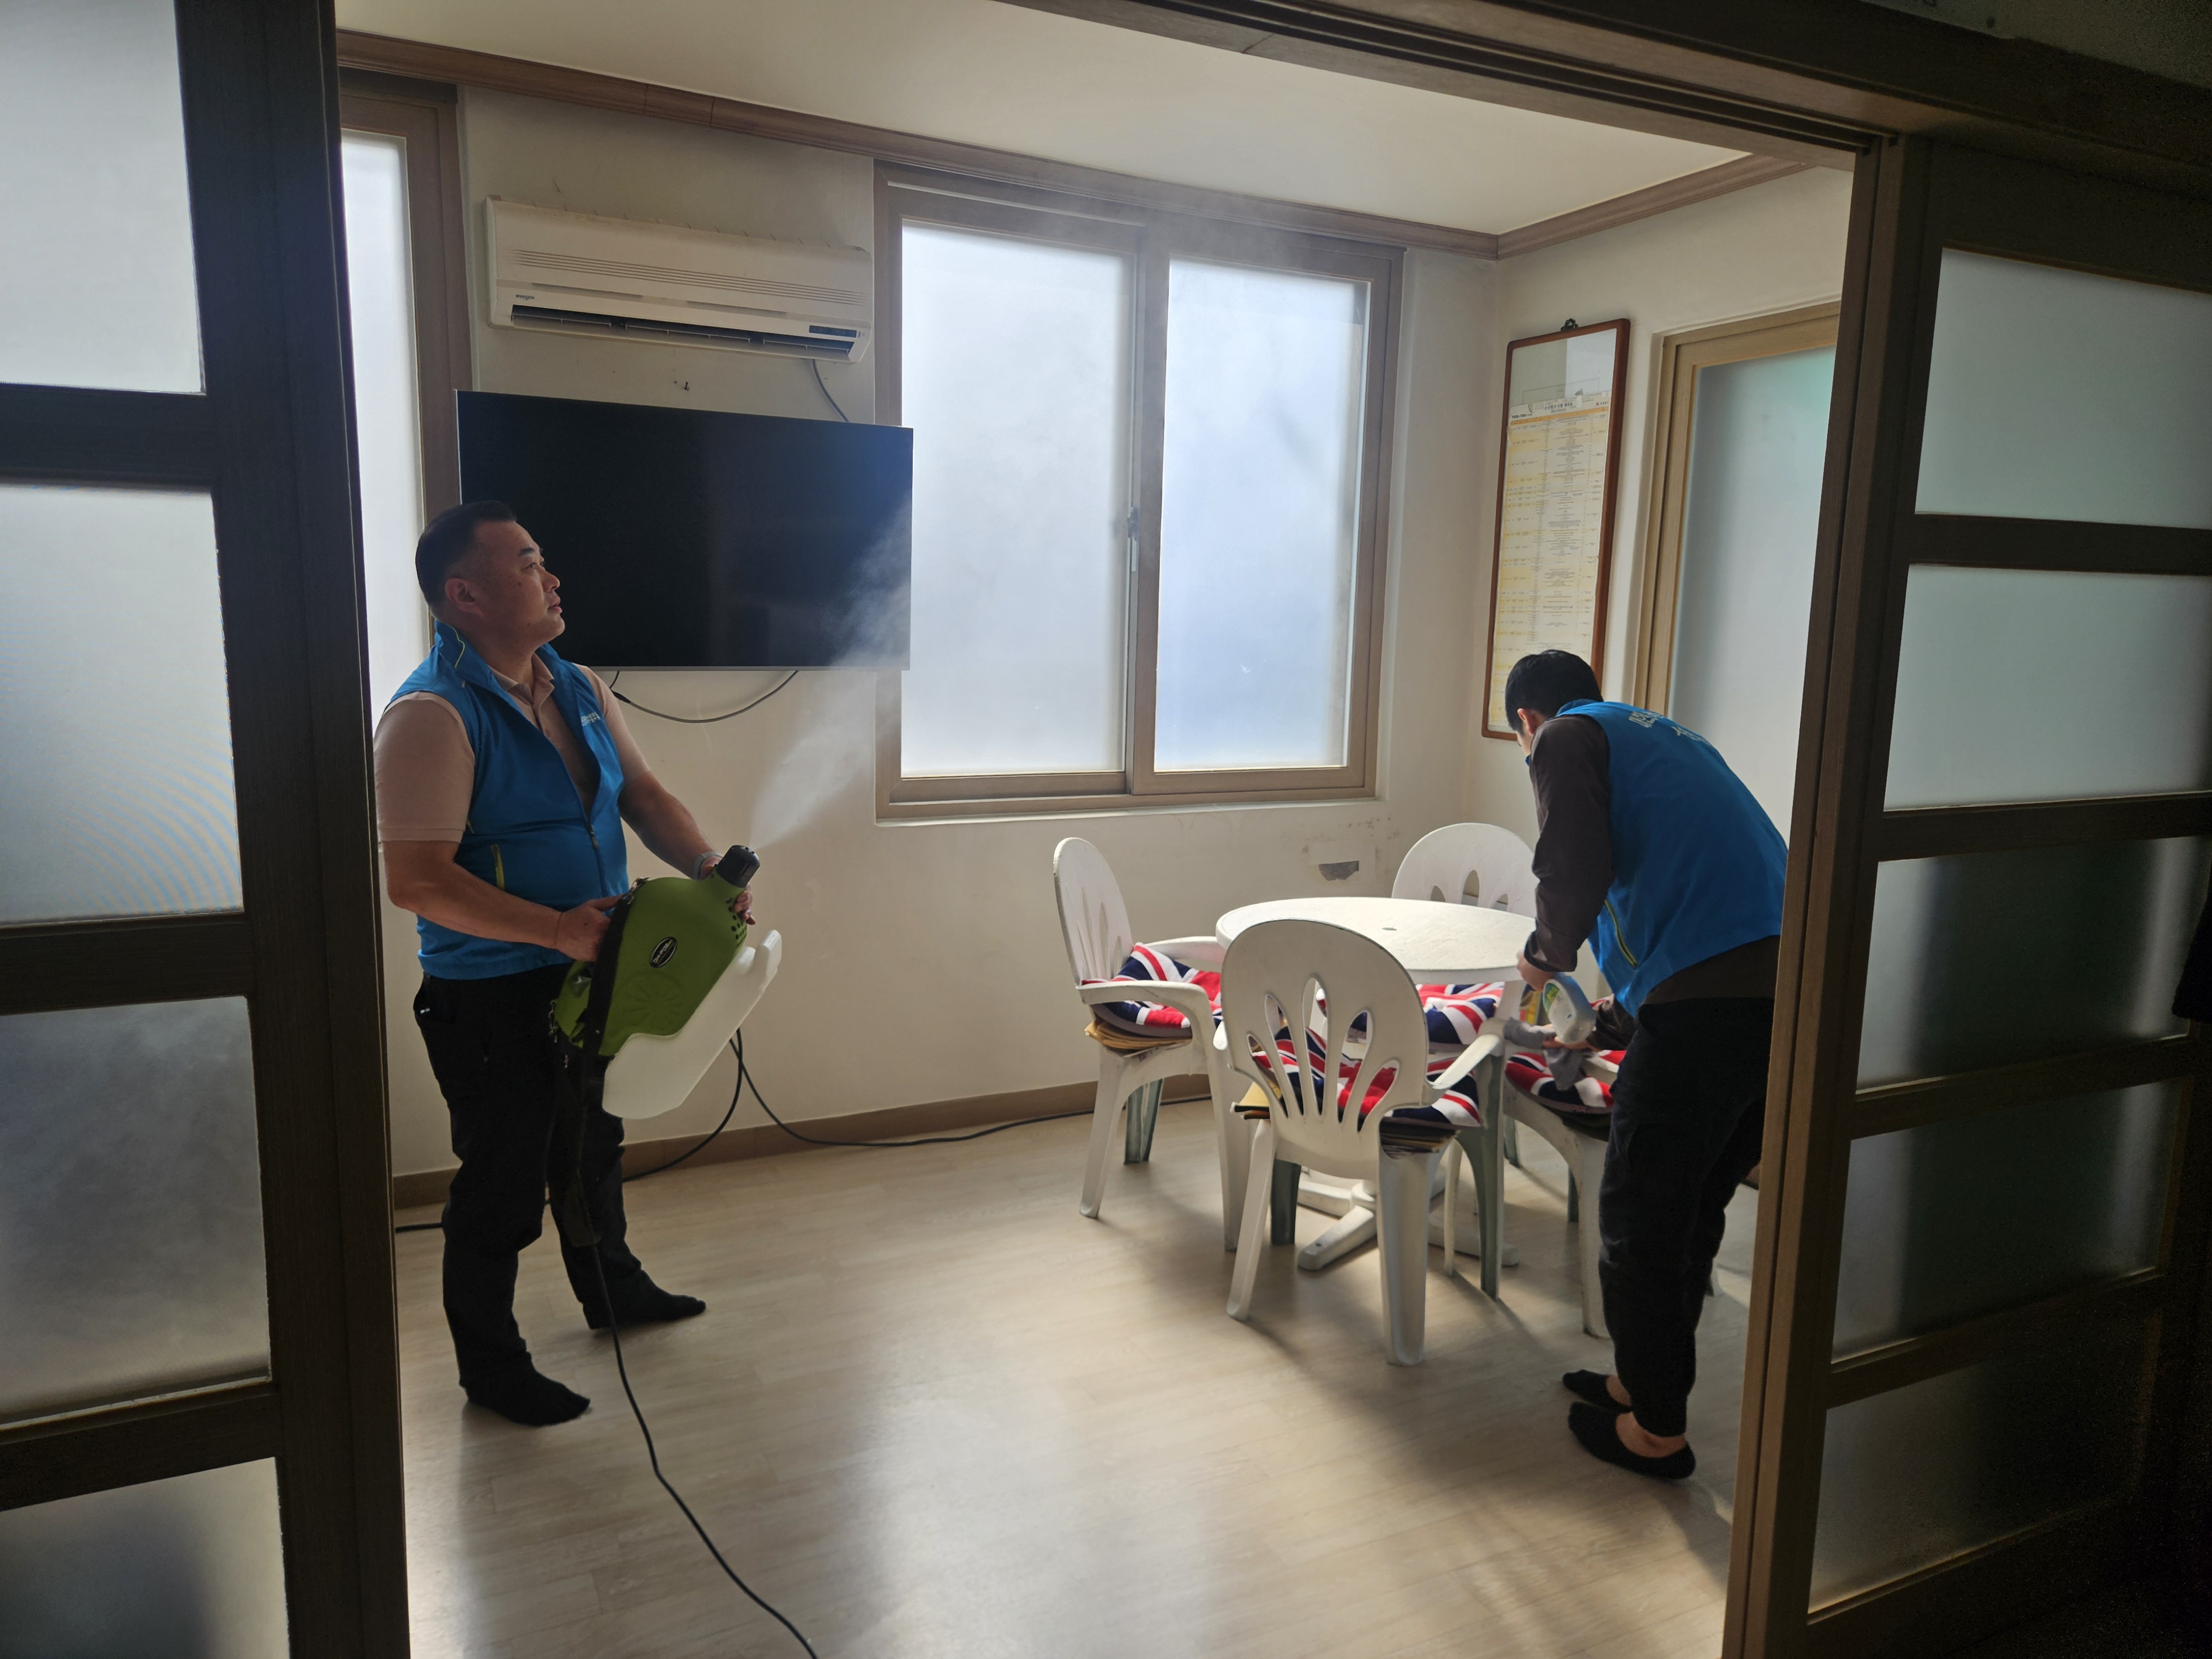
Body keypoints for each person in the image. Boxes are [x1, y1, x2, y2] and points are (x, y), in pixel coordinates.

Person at [376, 499, 747, 1427]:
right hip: (490, 992)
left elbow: (644, 795)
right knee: (501, 1182)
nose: (552, 578)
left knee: (591, 1146)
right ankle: (492, 1367)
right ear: (464, 595)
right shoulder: (431, 714)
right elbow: (416, 880)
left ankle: (613, 1291)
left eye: (543, 560)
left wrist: (707, 870)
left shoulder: (576, 685)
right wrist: (553, 931)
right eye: (528, 563)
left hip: (589, 969)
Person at [1502, 649, 1785, 1480]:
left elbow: (1573, 871)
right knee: (1688, 1208)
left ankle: (1658, 1432)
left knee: (1640, 1213)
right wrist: (1608, 1024)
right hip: (1786, 991)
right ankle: (1641, 1382)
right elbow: (1688, 899)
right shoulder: (1661, 737)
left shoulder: (1563, 739)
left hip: (1712, 1007)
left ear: (1526, 721)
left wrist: (1541, 958)